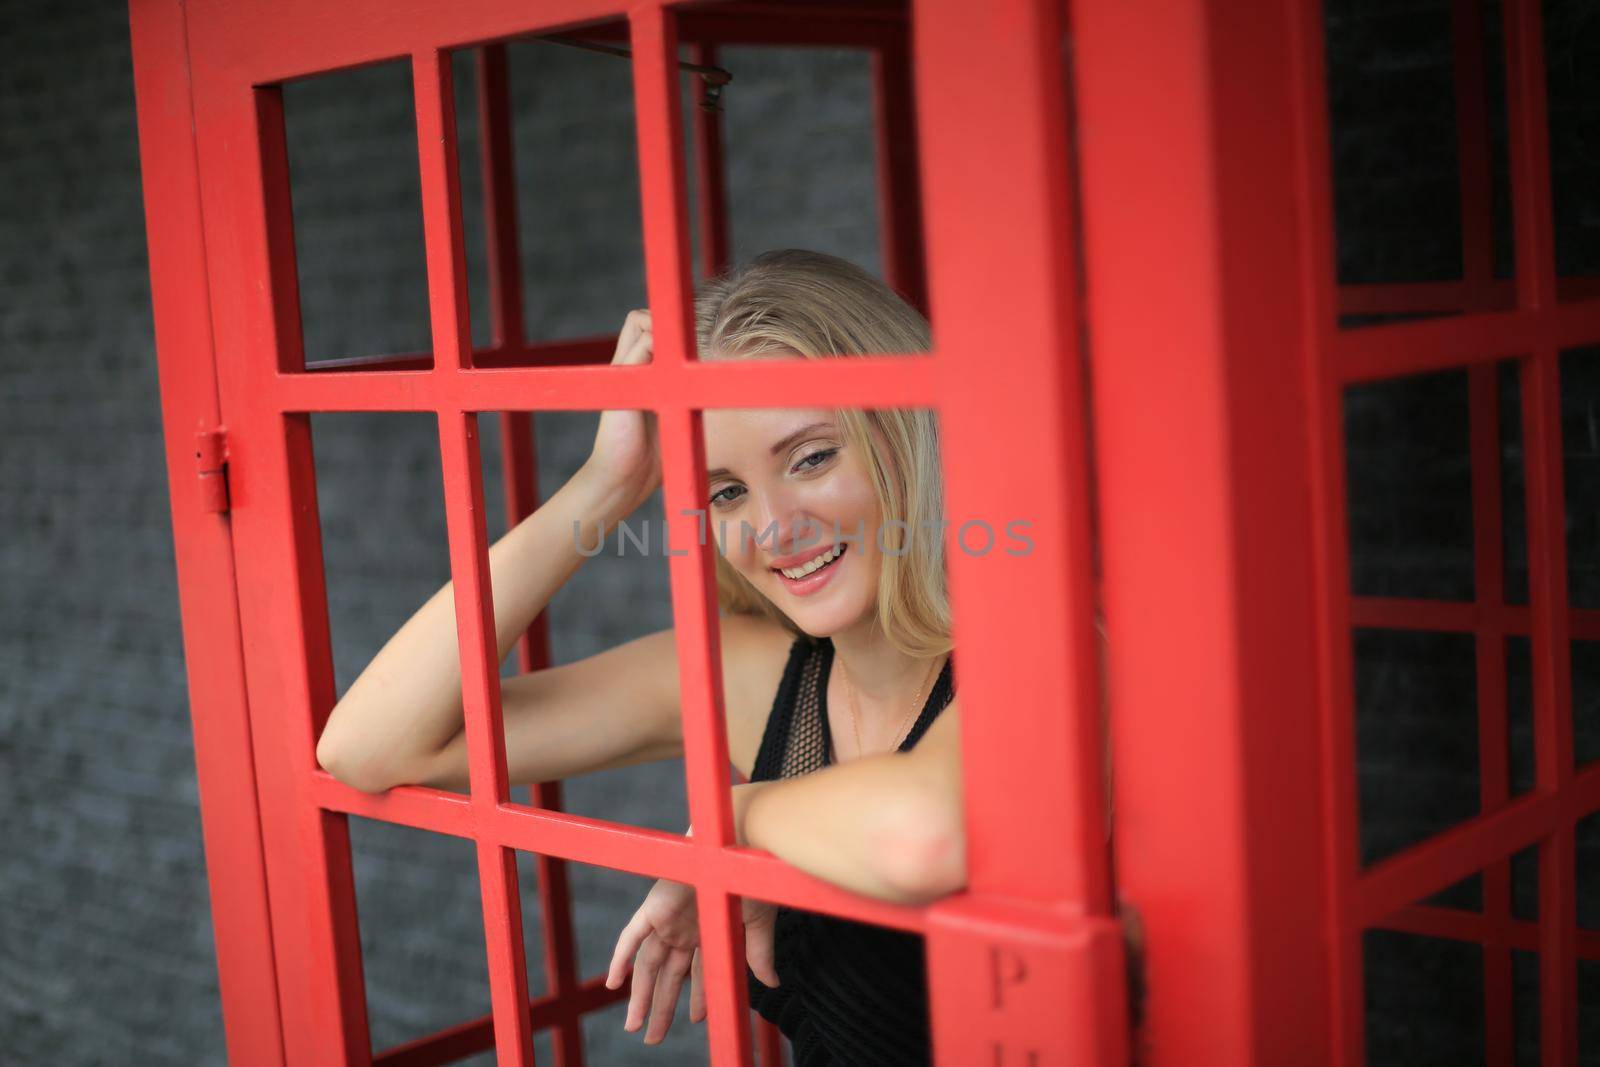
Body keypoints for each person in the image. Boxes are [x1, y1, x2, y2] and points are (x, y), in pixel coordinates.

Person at [315, 248, 964, 1064]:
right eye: (725, 489)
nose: (771, 528)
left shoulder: (1044, 653)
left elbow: (930, 837)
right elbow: (368, 745)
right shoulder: (753, 674)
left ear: (901, 434)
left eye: (811, 457)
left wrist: (732, 820)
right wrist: (606, 485)